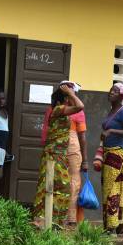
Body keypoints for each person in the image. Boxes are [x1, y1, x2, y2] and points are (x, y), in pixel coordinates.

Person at [32, 84, 84, 227]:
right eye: (67, 98)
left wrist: (70, 94)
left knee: (52, 187)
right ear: (64, 99)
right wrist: (71, 93)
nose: (70, 100)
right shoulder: (59, 109)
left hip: (57, 155)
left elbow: (76, 107)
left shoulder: (58, 110)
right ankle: (49, 221)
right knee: (61, 188)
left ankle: (48, 220)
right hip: (54, 156)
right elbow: (80, 106)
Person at [99, 83, 123, 235]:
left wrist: (112, 131)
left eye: (115, 91)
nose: (111, 93)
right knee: (110, 189)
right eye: (110, 90)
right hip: (108, 154)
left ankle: (112, 227)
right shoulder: (112, 111)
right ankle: (119, 225)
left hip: (117, 155)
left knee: (113, 190)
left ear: (121, 95)